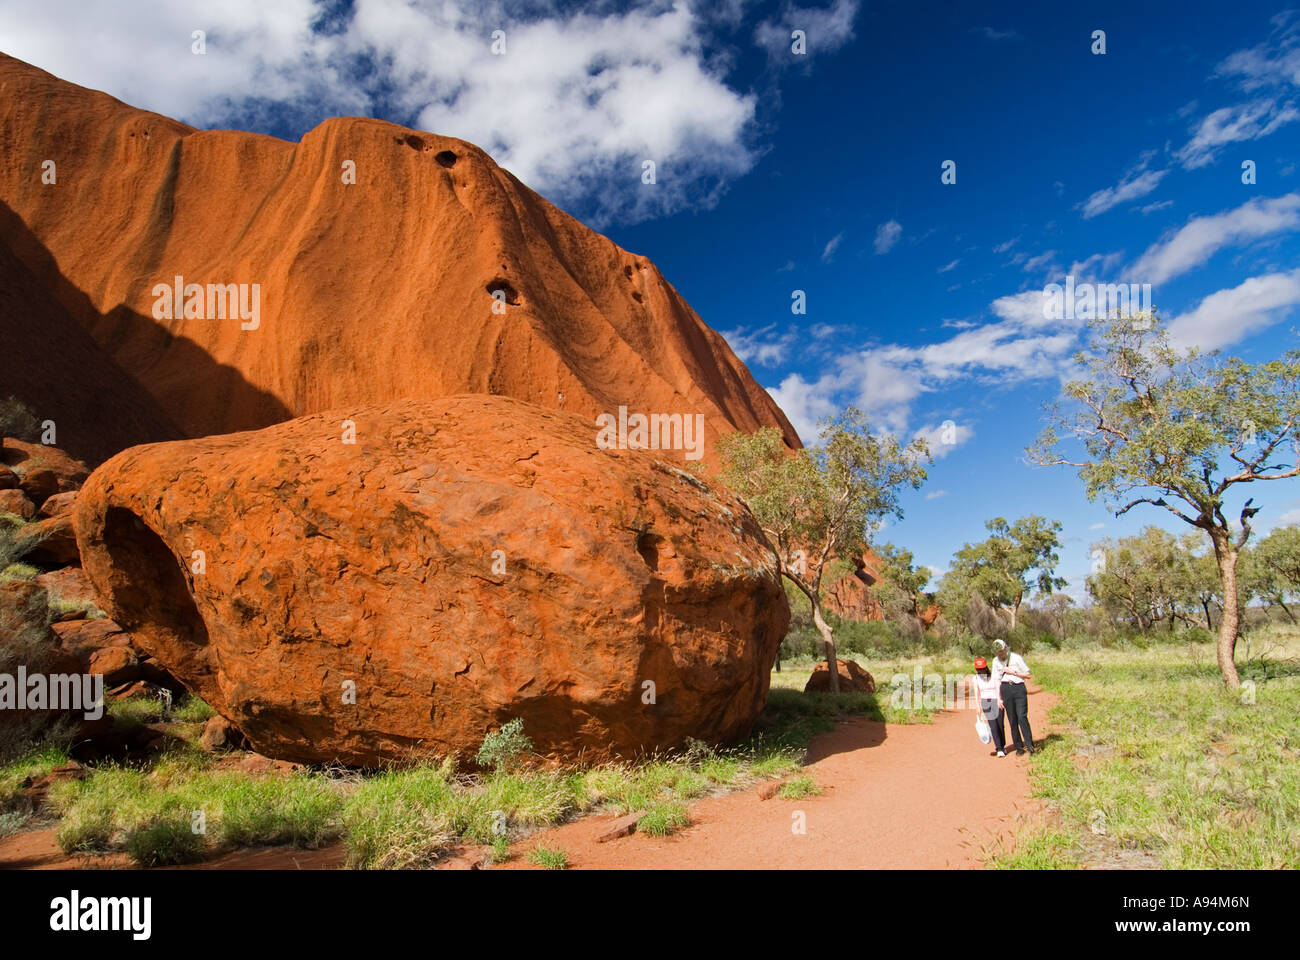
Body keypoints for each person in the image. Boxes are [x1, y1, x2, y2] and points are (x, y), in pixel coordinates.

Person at [991, 639, 1034, 755]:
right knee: (1012, 720)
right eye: (998, 653)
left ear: (1006, 648)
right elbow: (996, 680)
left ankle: (1030, 745)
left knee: (1022, 717)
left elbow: (1028, 675)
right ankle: (1019, 747)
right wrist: (998, 698)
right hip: (1005, 689)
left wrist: (1014, 672)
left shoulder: (1016, 658)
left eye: (1001, 651)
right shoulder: (995, 661)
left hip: (1018, 688)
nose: (1000, 654)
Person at [970, 657, 1005, 757]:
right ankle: (999, 748)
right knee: (993, 726)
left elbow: (998, 687)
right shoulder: (976, 678)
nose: (981, 671)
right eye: (978, 669)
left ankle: (1002, 745)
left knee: (1000, 725)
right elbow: (977, 692)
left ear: (986, 667)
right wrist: (978, 706)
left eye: (982, 669)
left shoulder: (994, 676)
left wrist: (999, 699)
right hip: (986, 702)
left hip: (996, 701)